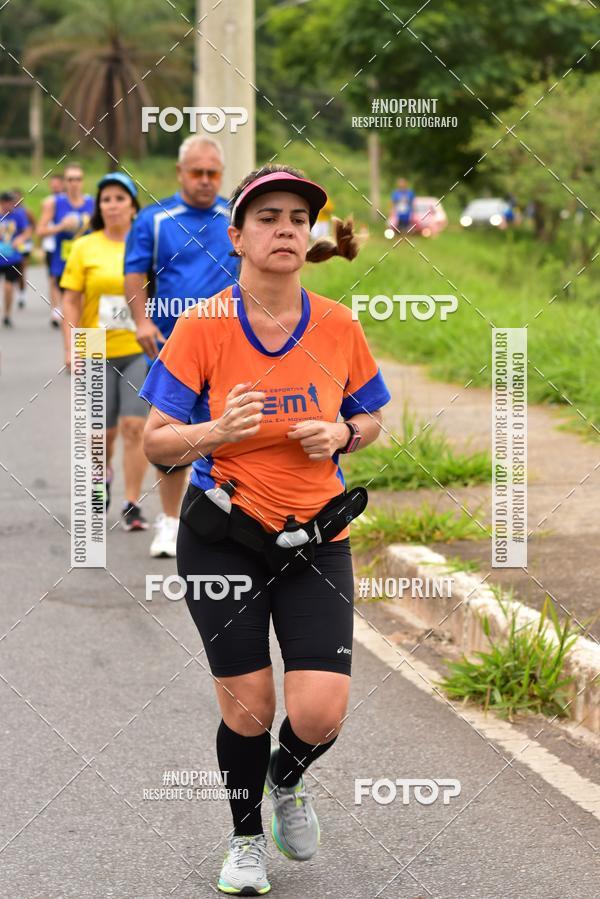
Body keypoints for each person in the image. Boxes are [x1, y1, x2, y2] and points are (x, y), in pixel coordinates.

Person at [139, 163, 392, 895]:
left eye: (296, 218)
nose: (285, 227)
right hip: (222, 537)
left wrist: (343, 433)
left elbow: (374, 415)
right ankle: (245, 837)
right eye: (268, 216)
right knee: (249, 703)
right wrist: (215, 430)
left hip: (317, 538)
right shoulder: (204, 324)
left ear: (307, 236)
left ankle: (287, 779)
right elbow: (158, 441)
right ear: (238, 235)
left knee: (318, 710)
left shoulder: (339, 325)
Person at [124, 135, 236, 558]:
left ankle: (225, 520)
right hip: (173, 348)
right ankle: (171, 523)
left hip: (231, 347)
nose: (205, 181)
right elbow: (135, 272)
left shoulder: (236, 217)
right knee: (172, 437)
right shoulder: (155, 220)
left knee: (226, 432)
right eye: (197, 172)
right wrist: (141, 320)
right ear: (180, 173)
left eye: (213, 173)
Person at [60, 173, 149, 531]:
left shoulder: (145, 245)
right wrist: (71, 345)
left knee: (134, 426)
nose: (112, 205)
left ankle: (132, 503)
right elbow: (70, 299)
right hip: (94, 346)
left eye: (119, 198)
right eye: (106, 199)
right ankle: (102, 479)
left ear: (132, 206)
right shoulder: (85, 246)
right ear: (99, 207)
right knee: (101, 433)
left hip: (137, 347)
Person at [37, 163, 93, 329]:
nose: (74, 183)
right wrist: (61, 226)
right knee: (71, 312)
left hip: (88, 260)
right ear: (65, 183)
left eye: (78, 179)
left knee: (89, 310)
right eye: (70, 179)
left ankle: (93, 353)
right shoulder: (54, 203)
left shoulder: (92, 203)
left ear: (82, 181)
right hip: (64, 261)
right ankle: (73, 353)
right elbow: (40, 231)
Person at [0, 191, 32, 327]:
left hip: (13, 258)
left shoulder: (19, 214)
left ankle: (7, 314)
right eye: (9, 202)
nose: (12, 205)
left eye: (13, 202)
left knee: (8, 287)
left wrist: (21, 238)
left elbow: (27, 230)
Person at [40, 173, 64, 311]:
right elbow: (41, 226)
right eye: (52, 184)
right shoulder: (47, 202)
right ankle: (56, 310)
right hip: (51, 245)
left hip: (67, 246)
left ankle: (66, 306)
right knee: (53, 278)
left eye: (57, 184)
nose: (55, 186)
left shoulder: (68, 202)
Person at [10, 189, 35, 309]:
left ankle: (22, 294)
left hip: (24, 245)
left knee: (21, 270)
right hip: (11, 245)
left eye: (18, 197)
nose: (16, 200)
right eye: (13, 198)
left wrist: (28, 236)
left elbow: (34, 225)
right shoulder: (7, 212)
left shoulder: (27, 212)